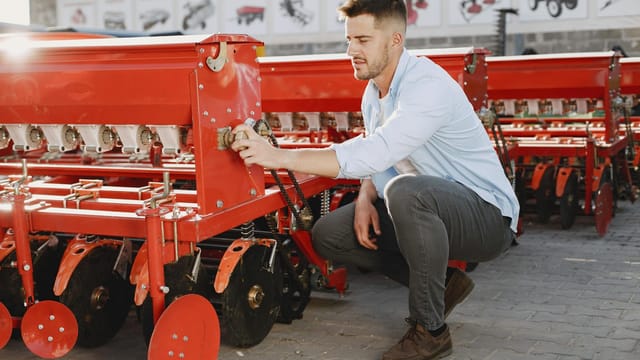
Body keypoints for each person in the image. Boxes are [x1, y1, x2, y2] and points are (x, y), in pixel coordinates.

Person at [232, 0, 519, 359]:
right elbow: (382, 155)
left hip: (487, 217)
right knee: (330, 234)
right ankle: (444, 285)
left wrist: (278, 156)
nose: (351, 50)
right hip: (429, 204)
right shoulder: (374, 93)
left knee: (407, 193)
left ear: (395, 39)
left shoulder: (427, 86)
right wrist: (366, 196)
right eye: (349, 39)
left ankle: (430, 331)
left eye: (363, 40)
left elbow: (378, 150)